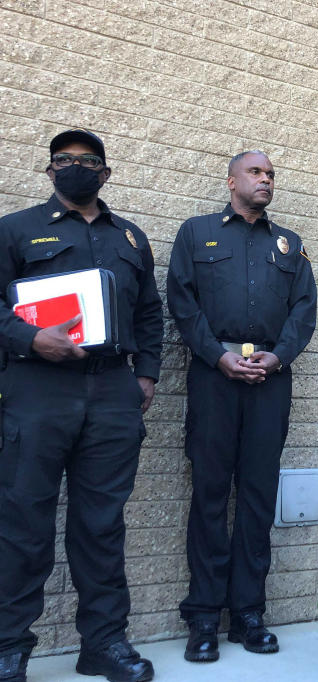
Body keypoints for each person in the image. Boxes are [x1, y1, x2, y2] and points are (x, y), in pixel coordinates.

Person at [0, 129, 162, 682]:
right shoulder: (15, 230)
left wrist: (146, 375)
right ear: (49, 172)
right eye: (64, 160)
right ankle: (9, 649)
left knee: (101, 525)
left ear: (105, 173)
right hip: (37, 391)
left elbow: (148, 315)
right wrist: (29, 340)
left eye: (87, 160)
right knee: (23, 524)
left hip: (113, 394)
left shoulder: (133, 239)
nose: (75, 167)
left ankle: (103, 644)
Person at [166, 151, 317, 663]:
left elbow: (304, 309)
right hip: (215, 377)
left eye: (272, 173)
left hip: (270, 380)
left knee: (257, 496)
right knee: (210, 495)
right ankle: (205, 616)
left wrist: (278, 357)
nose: (266, 179)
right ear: (232, 180)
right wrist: (217, 355)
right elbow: (181, 303)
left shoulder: (290, 244)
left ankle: (249, 613)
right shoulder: (197, 232)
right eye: (256, 172)